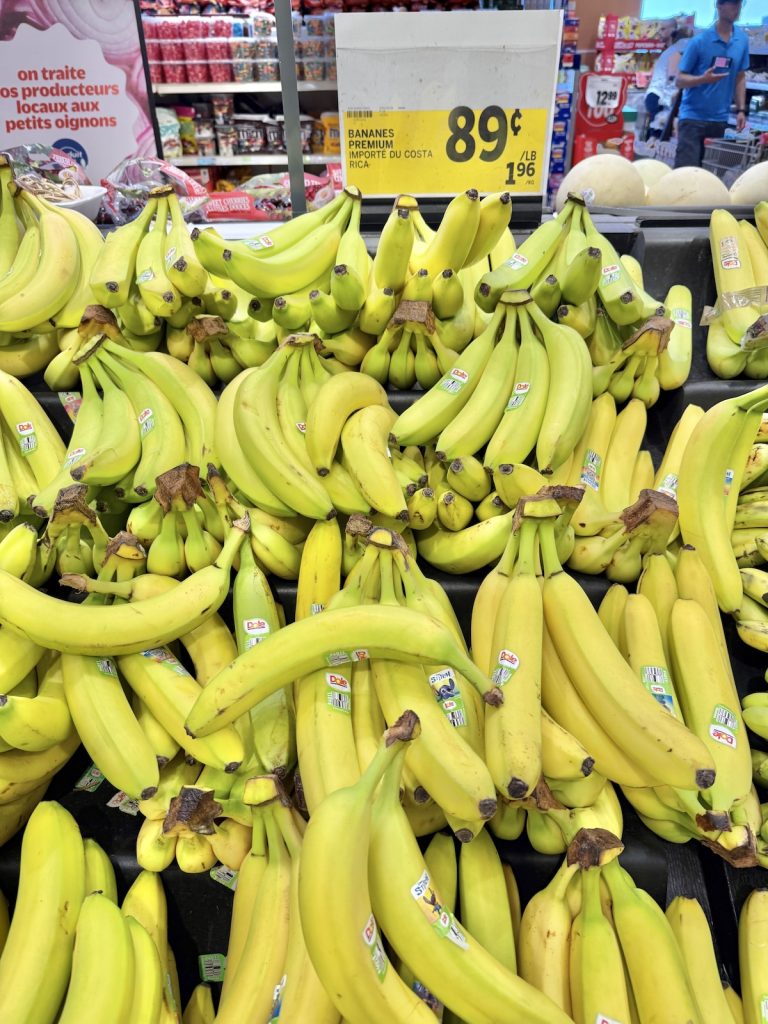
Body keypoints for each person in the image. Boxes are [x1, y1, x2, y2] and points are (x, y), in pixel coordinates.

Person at [673, 0, 750, 168]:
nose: (736, 8)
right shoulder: (699, 41)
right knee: (686, 174)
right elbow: (679, 80)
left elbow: (740, 76)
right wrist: (702, 79)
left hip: (720, 120)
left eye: (739, 4)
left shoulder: (742, 40)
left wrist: (741, 110)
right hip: (692, 119)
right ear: (719, 5)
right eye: (732, 3)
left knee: (710, 176)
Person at [644, 21, 693, 139]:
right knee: (659, 134)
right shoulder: (677, 53)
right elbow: (671, 80)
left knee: (655, 134)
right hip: (660, 97)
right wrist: (671, 99)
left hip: (654, 95)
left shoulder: (670, 51)